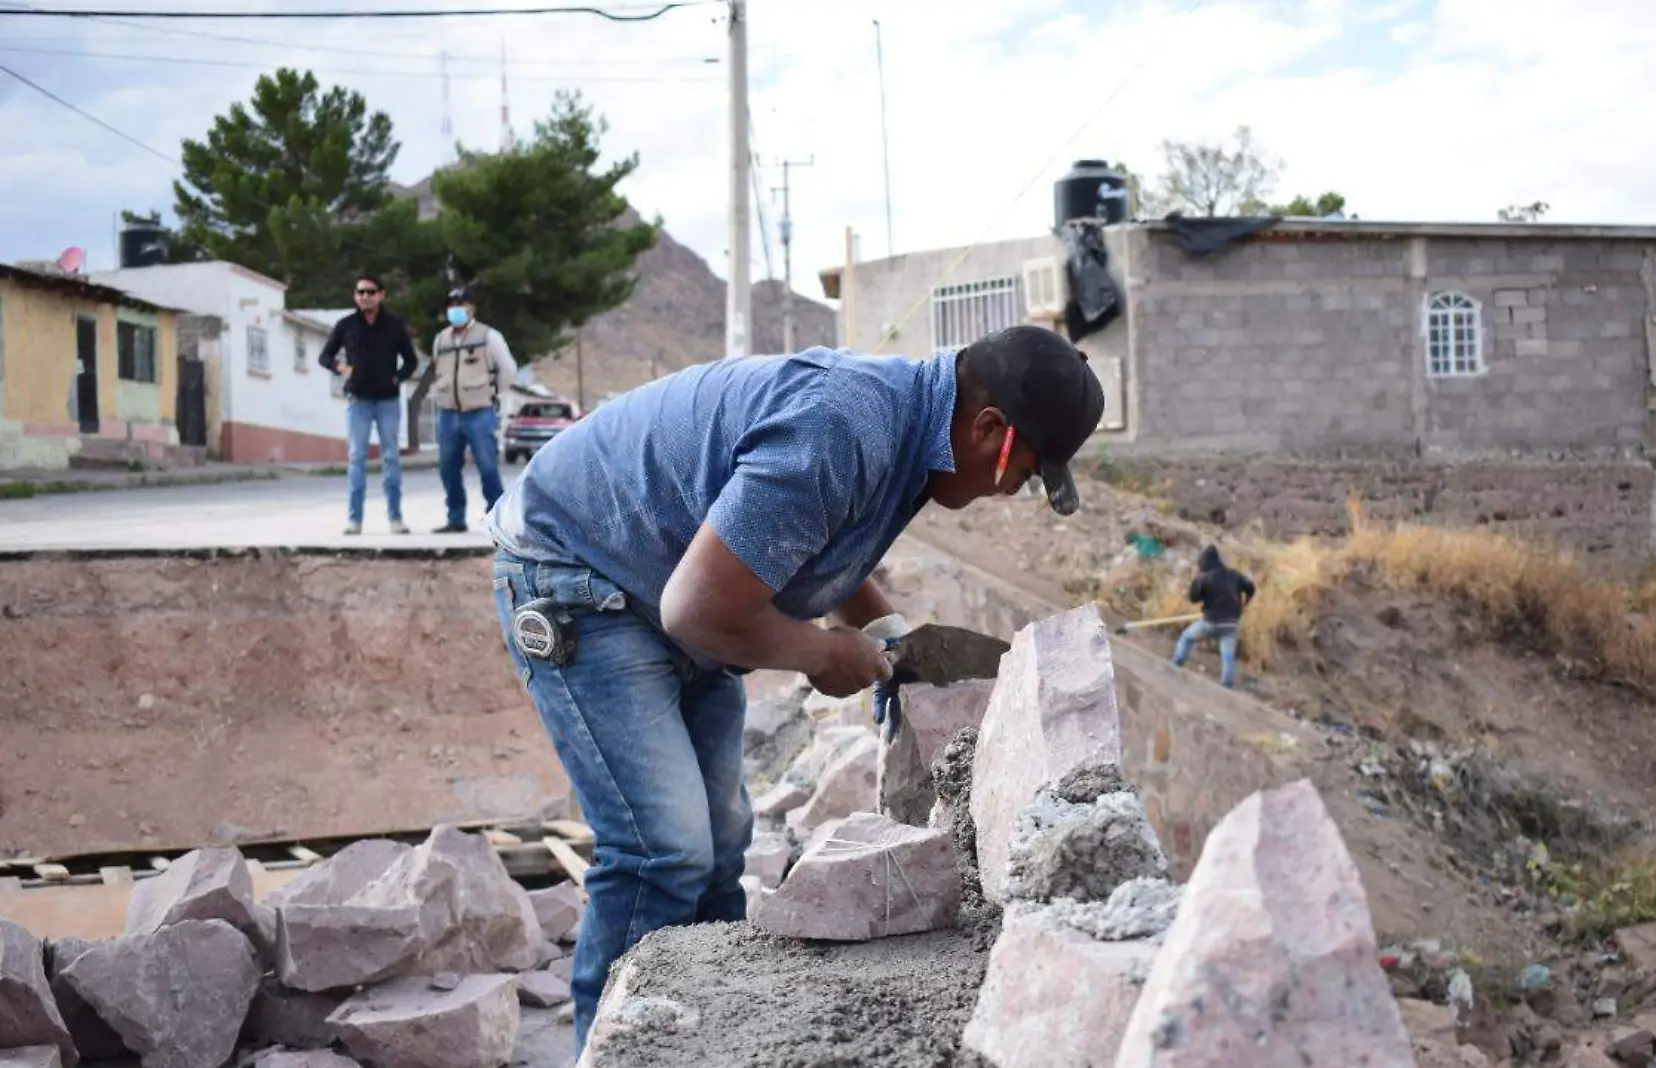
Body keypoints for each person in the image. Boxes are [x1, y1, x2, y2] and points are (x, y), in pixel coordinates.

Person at [485, 324, 1104, 1052]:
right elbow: (700, 612)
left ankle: (695, 1035)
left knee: (720, 844)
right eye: (1023, 473)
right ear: (988, 428)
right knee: (665, 849)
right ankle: (615, 1046)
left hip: (670, 581)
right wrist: (818, 653)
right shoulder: (843, 427)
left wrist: (886, 637)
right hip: (581, 575)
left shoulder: (910, 430)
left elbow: (807, 540)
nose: (1013, 492)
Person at [317, 273, 419, 535]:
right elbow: (324, 356)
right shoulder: (346, 325)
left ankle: (395, 518)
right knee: (356, 458)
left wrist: (397, 377)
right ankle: (354, 520)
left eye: (371, 292)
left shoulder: (394, 325)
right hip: (357, 401)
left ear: (381, 295)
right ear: (355, 296)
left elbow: (411, 361)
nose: (365, 296)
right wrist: (340, 367)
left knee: (391, 458)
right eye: (360, 292)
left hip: (387, 402)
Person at [428, 287, 517, 534]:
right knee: (447, 467)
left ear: (472, 308)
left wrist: (491, 393)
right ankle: (455, 517)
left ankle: (498, 520)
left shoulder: (489, 336)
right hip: (448, 412)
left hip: (479, 412)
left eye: (461, 303)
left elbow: (508, 370)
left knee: (487, 465)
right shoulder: (441, 340)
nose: (455, 308)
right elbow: (439, 371)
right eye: (451, 304)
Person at [1172, 544, 1256, 688]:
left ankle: (1175, 665)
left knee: (1186, 638)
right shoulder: (1234, 574)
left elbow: (1193, 598)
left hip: (1211, 621)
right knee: (1227, 655)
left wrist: (1195, 580)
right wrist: (1245, 605)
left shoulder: (1205, 578)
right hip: (1231, 623)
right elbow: (1251, 587)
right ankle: (1226, 685)